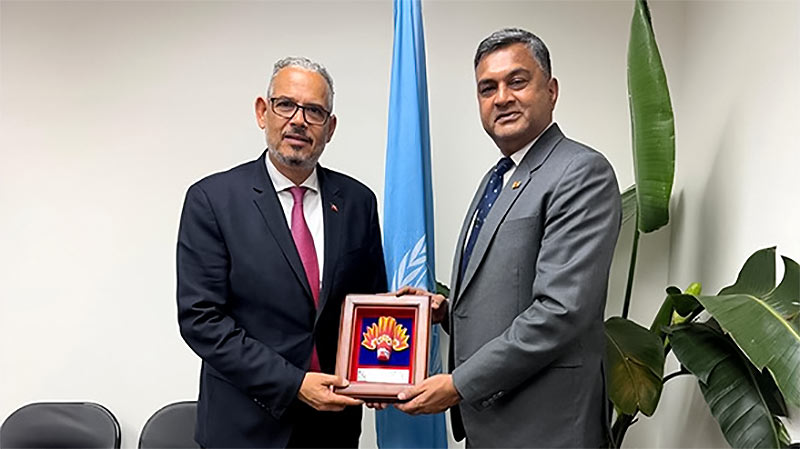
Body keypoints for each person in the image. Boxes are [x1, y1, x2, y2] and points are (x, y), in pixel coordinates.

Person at [393, 28, 622, 447]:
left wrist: (458, 384)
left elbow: (559, 311)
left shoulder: (581, 172)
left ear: (551, 90)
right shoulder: (499, 177)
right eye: (487, 88)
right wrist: (445, 309)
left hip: (546, 427)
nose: (501, 97)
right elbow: (508, 286)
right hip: (494, 423)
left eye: (517, 81)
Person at [176, 56, 387, 448]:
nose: (298, 120)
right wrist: (293, 384)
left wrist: (381, 370)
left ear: (331, 127)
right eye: (286, 104)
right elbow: (201, 320)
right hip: (244, 429)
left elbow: (370, 305)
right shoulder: (213, 200)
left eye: (314, 111)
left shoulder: (358, 201)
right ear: (263, 112)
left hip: (333, 428)